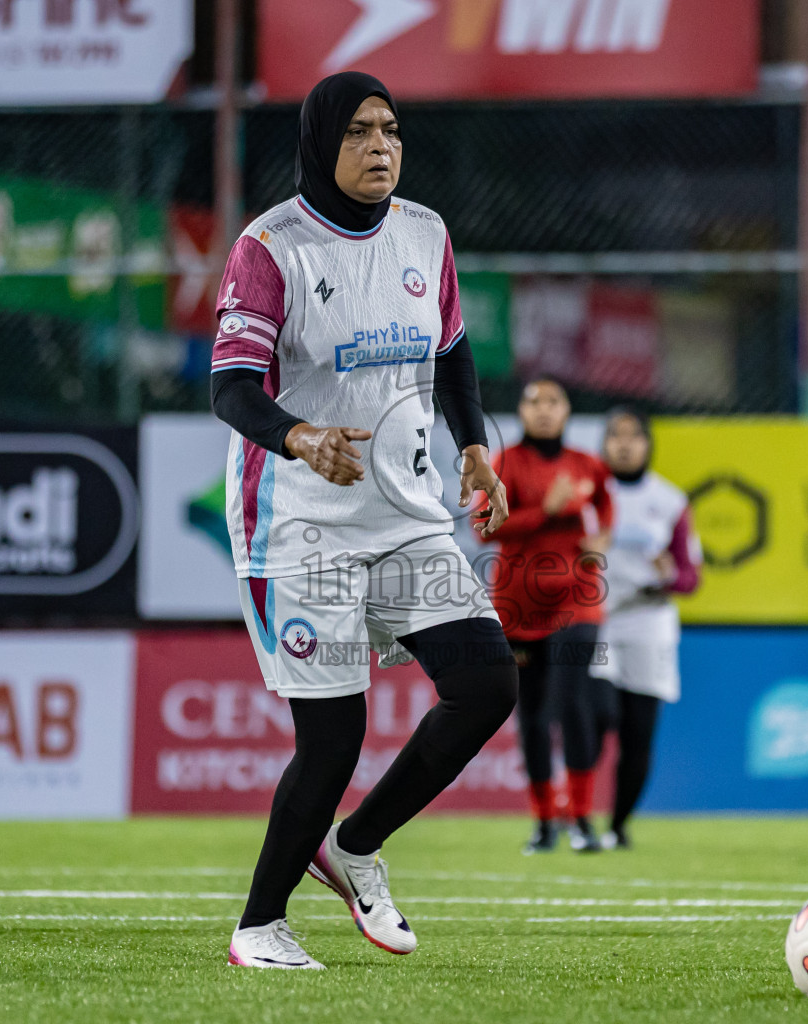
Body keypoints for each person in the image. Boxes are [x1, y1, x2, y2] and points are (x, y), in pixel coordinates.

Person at [209, 72, 517, 971]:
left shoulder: (426, 233)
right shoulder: (272, 247)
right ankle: (259, 926)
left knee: (487, 686)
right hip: (299, 521)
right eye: (358, 133)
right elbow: (230, 388)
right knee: (334, 738)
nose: (381, 146)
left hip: (406, 514)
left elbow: (453, 357)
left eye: (390, 129)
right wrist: (300, 437)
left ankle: (354, 846)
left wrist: (474, 450)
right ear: (319, 144)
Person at [477, 376, 613, 854]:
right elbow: (483, 527)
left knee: (572, 702)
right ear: (521, 410)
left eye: (553, 401)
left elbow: (605, 505)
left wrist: (602, 540)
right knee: (533, 717)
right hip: (518, 608)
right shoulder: (506, 462)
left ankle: (580, 817)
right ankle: (543, 822)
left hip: (577, 599)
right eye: (533, 401)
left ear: (568, 410)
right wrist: (545, 511)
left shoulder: (586, 464)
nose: (543, 410)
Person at [592, 407, 702, 850]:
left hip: (648, 620)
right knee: (599, 712)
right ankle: (575, 815)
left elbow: (691, 578)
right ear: (603, 444)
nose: (624, 443)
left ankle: (618, 826)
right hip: (597, 620)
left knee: (638, 734)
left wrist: (670, 575)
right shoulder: (588, 494)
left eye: (633, 435)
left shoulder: (670, 501)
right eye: (615, 435)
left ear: (647, 444)